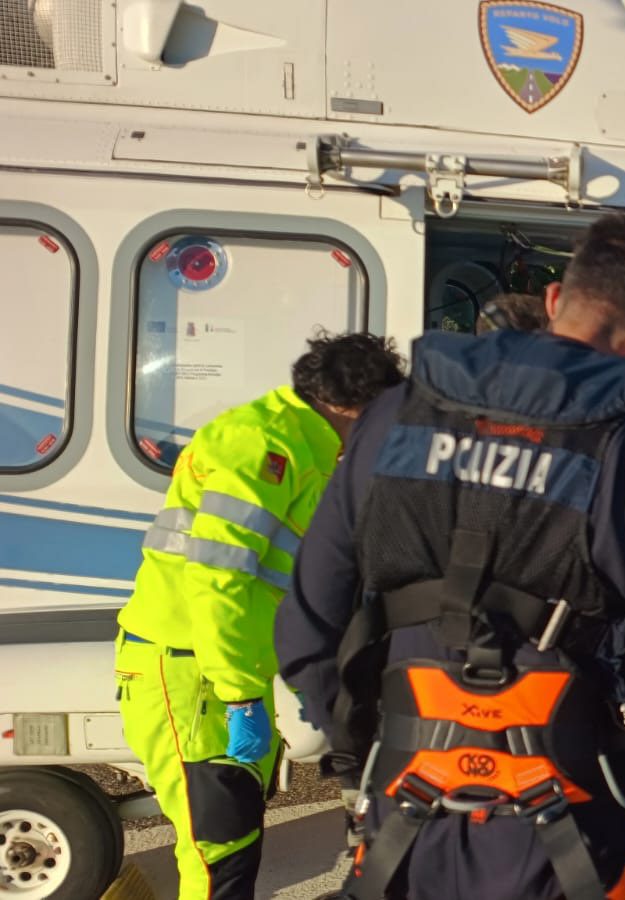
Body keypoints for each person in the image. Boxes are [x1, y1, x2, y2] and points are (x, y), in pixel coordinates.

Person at [274, 214, 625, 900]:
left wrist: (364, 755)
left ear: (555, 301)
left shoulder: (394, 416)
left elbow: (305, 628)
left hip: (406, 813)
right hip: (566, 822)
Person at [113, 331, 406, 900]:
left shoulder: (303, 446)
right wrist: (240, 694)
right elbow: (216, 578)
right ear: (356, 408)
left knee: (234, 846)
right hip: (190, 672)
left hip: (217, 673)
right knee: (216, 851)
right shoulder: (264, 445)